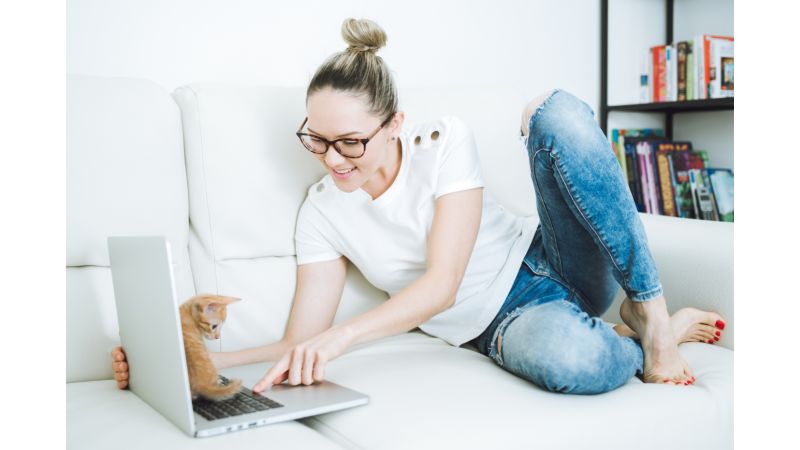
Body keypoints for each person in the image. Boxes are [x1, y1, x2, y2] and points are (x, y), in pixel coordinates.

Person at [112, 17, 726, 396]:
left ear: (395, 124)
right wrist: (187, 361)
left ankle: (651, 315)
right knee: (578, 362)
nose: (332, 159)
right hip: (503, 324)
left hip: (551, 258)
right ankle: (638, 339)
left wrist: (343, 338)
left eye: (350, 141)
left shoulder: (443, 142)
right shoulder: (322, 212)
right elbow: (299, 342)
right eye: (317, 140)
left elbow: (441, 284)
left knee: (556, 110)